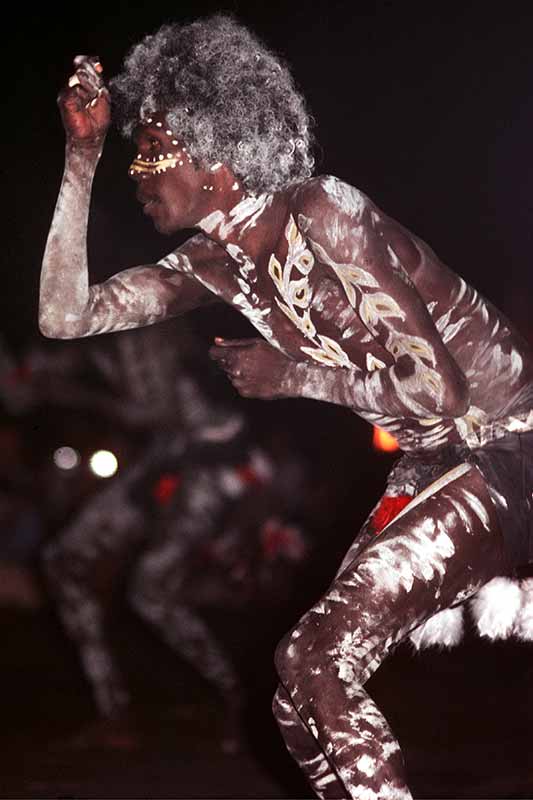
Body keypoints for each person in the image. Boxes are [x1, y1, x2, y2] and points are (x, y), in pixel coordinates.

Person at [39, 15, 533, 799]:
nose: (138, 171)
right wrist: (81, 155)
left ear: (216, 159)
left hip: (505, 447)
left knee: (315, 658)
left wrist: (292, 375)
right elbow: (65, 317)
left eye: (151, 151)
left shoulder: (320, 211)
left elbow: (440, 390)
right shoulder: (213, 263)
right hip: (436, 461)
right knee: (293, 689)